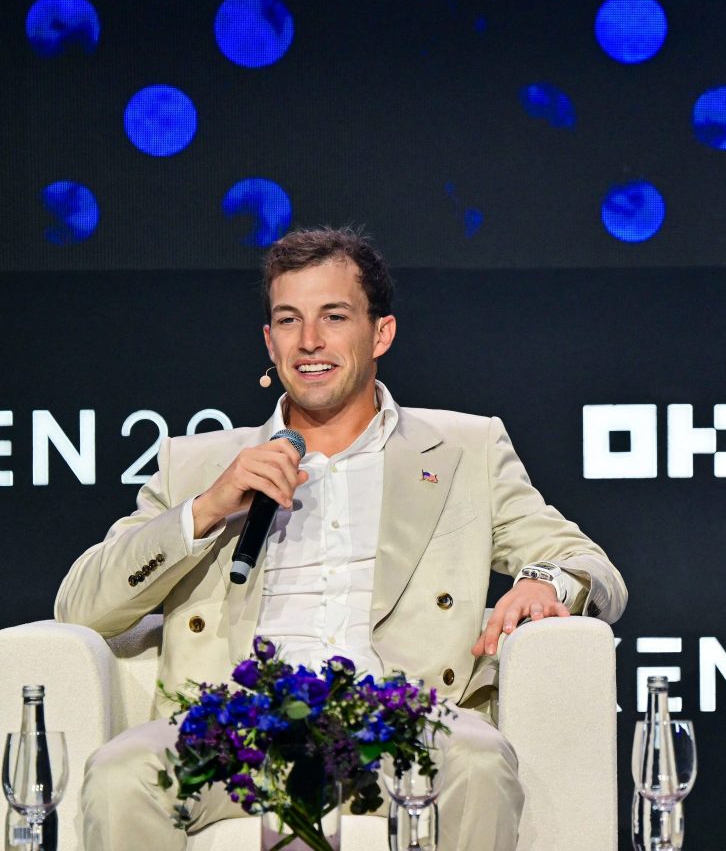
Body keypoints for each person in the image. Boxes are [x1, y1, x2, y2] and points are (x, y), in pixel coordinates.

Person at [54, 227, 627, 851]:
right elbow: (81, 608)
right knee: (120, 773)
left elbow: (585, 562)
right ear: (269, 342)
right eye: (289, 320)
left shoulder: (464, 449)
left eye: (334, 316)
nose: (310, 342)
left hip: (400, 720)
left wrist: (542, 584)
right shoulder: (196, 463)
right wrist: (207, 508)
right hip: (237, 726)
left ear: (380, 333)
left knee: (481, 761)